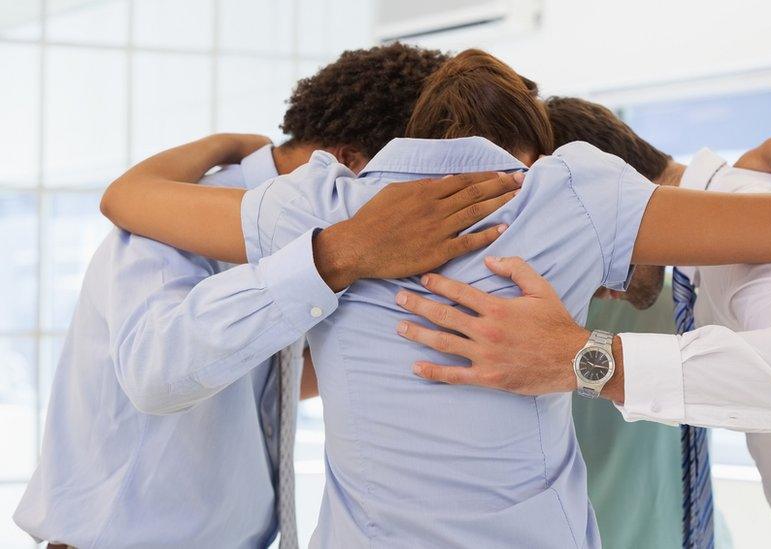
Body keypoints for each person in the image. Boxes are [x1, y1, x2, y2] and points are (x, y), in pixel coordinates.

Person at [99, 49, 771, 547]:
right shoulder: (571, 193)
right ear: (531, 151)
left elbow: (130, 198)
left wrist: (238, 149)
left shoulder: (325, 204)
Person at [397, 97, 771, 547]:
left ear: (605, 186)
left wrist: (580, 359)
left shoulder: (756, 222)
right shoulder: (722, 243)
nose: (588, 285)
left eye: (568, 242)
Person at [14, 44, 526, 549]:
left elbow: (258, 377)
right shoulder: (174, 217)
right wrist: (336, 257)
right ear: (348, 162)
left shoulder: (314, 236)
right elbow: (156, 372)